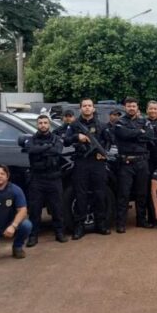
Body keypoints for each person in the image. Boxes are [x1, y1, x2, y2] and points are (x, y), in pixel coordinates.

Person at [63, 98, 112, 239]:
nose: (87, 108)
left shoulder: (101, 125)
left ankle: (100, 224)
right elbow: (66, 141)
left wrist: (104, 154)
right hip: (81, 162)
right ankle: (79, 226)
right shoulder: (74, 125)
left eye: (89, 106)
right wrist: (76, 137)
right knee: (80, 194)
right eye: (84, 106)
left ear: (93, 108)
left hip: (97, 163)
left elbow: (109, 140)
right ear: (80, 108)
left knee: (100, 194)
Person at [23, 115, 67, 246]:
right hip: (37, 178)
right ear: (37, 125)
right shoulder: (31, 139)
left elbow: (58, 151)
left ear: (49, 124)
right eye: (40, 123)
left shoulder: (57, 139)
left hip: (54, 178)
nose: (43, 125)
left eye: (45, 123)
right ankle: (33, 236)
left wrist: (41, 150)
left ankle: (59, 233)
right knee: (34, 210)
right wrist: (48, 147)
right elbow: (31, 150)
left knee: (57, 208)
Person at [113, 97, 153, 232]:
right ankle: (121, 223)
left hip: (142, 161)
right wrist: (139, 132)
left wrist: (134, 134)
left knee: (142, 193)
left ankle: (141, 220)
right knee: (124, 194)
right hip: (126, 163)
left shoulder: (144, 121)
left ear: (137, 107)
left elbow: (149, 136)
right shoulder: (120, 122)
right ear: (125, 107)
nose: (131, 108)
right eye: (129, 106)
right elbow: (122, 134)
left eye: (134, 106)